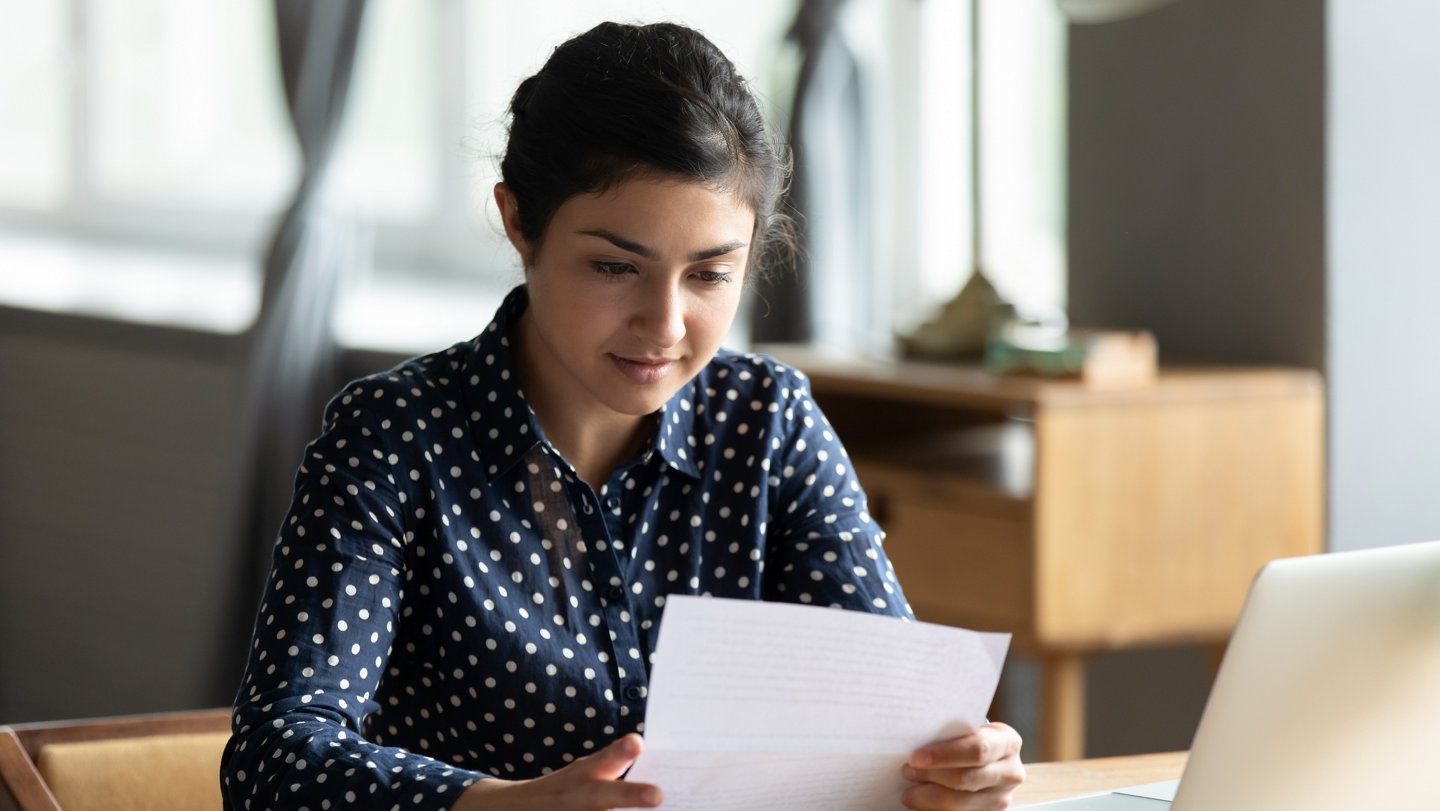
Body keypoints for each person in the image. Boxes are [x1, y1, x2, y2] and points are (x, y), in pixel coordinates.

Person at [220, 20, 1024, 811]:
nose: (665, 324)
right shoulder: (393, 438)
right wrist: (498, 805)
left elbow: (890, 723)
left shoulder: (769, 423)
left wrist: (954, 769)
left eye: (709, 275)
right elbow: (275, 758)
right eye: (615, 266)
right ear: (518, 222)